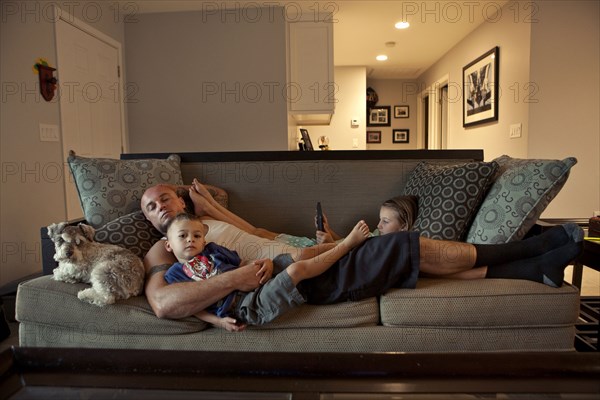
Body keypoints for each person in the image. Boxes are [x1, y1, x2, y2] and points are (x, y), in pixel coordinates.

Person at [141, 181, 584, 321]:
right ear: (153, 226)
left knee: (415, 258)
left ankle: (533, 268)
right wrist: (235, 281)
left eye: (165, 198)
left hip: (296, 257)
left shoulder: (205, 226)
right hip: (302, 276)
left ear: (182, 201)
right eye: (149, 206)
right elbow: (163, 303)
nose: (159, 206)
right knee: (403, 246)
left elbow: (256, 230)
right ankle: (532, 250)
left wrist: (213, 205)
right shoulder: (161, 253)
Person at [162, 213, 370, 331]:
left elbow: (242, 262)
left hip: (252, 279)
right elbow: (190, 306)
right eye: (183, 236)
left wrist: (265, 263)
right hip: (245, 306)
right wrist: (218, 321)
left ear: (204, 240)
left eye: (196, 235)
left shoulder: (213, 250)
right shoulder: (175, 274)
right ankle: (348, 245)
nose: (191, 239)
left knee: (301, 255)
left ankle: (341, 245)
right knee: (296, 270)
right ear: (168, 245)